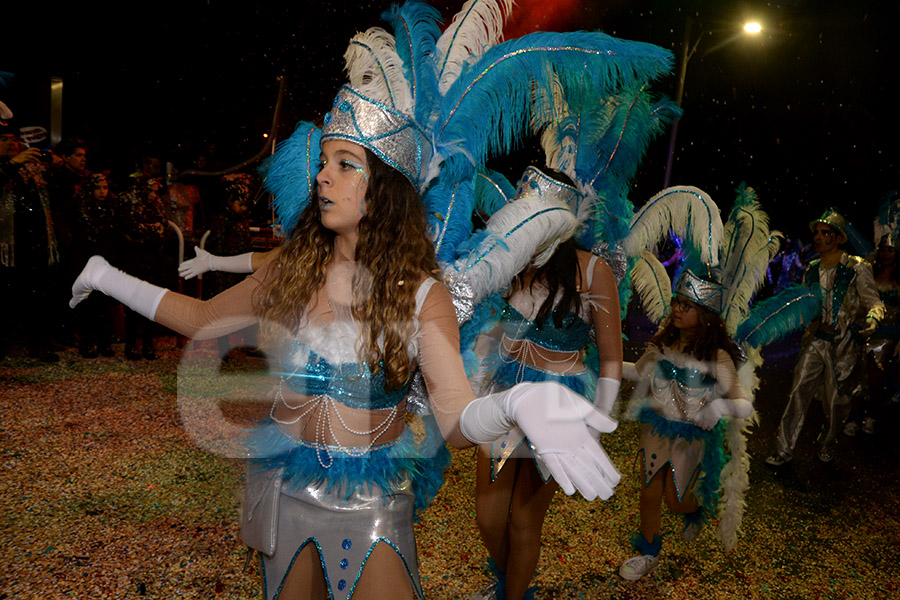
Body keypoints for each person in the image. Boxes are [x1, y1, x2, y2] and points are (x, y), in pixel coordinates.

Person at [69, 98, 619, 600]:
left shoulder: (425, 295)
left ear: (383, 187)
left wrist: (514, 405)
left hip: (371, 505)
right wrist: (107, 276)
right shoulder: (295, 266)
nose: (322, 177)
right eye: (324, 162)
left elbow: (454, 418)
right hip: (286, 490)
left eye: (344, 164)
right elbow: (201, 319)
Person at [470, 167, 623, 600]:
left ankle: (514, 594)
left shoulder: (593, 272)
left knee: (523, 520)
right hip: (504, 396)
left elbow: (612, 359)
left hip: (559, 407)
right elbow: (488, 338)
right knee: (488, 517)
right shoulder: (510, 262)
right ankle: (511, 580)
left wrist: (594, 425)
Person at [618, 270, 752, 581]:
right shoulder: (662, 343)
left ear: (706, 316)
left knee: (675, 500)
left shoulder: (717, 356)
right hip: (655, 428)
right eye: (677, 302)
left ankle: (693, 510)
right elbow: (638, 373)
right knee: (648, 493)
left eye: (687, 305)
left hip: (690, 437)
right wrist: (603, 365)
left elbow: (743, 404)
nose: (677, 309)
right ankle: (648, 553)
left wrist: (719, 407)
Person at [766, 209, 884, 467]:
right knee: (797, 393)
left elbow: (874, 301)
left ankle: (827, 443)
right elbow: (805, 307)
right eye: (816, 233)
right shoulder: (812, 269)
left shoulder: (856, 267)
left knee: (836, 404)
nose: (818, 238)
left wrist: (872, 319)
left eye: (824, 233)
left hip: (843, 346)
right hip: (815, 340)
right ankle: (783, 450)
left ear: (838, 238)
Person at [0, 119, 61, 361]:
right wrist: (12, 164)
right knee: (4, 297)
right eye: (4, 140)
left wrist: (56, 167)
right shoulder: (9, 167)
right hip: (5, 245)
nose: (11, 144)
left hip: (34, 240)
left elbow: (60, 194)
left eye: (14, 140)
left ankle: (39, 345)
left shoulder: (30, 167)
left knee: (37, 294)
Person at [850, 234, 900, 435]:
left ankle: (871, 415)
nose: (885, 254)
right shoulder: (870, 272)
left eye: (890, 250)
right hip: (865, 331)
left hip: (888, 337)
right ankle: (854, 416)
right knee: (857, 375)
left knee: (874, 377)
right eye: (883, 249)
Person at [72, 172, 120, 357]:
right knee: (88, 303)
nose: (102, 192)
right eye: (98, 188)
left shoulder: (111, 208)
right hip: (86, 260)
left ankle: (103, 342)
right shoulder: (82, 208)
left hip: (106, 261)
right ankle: (87, 341)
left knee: (104, 302)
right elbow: (80, 236)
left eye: (105, 188)